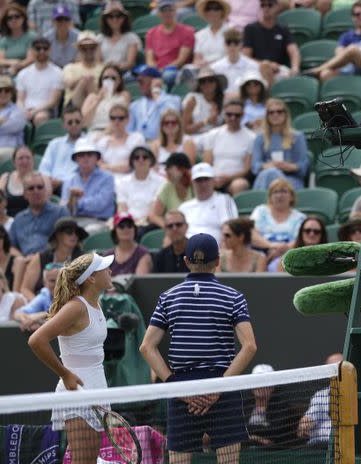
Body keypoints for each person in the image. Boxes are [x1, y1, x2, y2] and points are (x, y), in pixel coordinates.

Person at [139, 233, 257, 464]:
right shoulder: (234, 297)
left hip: (182, 389)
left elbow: (147, 347)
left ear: (185, 261)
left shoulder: (168, 297)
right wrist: (218, 389)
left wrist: (177, 388)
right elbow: (250, 346)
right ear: (218, 261)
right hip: (224, 388)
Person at [28, 253, 114, 464]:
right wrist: (65, 374)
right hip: (76, 394)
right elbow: (36, 340)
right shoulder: (76, 307)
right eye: (105, 268)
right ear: (91, 278)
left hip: (96, 388)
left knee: (90, 461)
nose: (110, 271)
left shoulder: (96, 303)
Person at [305, 0, 361, 81]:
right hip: (348, 67)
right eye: (357, 14)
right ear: (352, 17)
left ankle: (317, 70)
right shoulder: (346, 35)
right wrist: (354, 53)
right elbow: (339, 54)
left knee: (353, 49)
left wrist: (352, 53)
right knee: (326, 74)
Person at [17, 216, 87, 298]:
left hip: (72, 303)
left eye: (77, 233)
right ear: (58, 235)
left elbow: (87, 291)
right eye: (69, 232)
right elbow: (25, 289)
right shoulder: (41, 257)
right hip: (41, 304)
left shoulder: (83, 259)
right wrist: (39, 304)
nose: (74, 235)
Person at [243, 0, 301, 87]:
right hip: (256, 70)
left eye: (270, 5)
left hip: (279, 69)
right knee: (265, 66)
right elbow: (246, 57)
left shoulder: (282, 29)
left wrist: (295, 67)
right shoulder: (250, 29)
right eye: (263, 5)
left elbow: (293, 51)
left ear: (276, 7)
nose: (266, 8)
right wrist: (267, 64)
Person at [251, 98, 309, 191]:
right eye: (271, 112)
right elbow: (255, 166)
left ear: (285, 114)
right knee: (270, 173)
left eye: (279, 111)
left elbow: (303, 166)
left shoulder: (297, 136)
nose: (275, 115)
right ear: (267, 116)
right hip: (265, 179)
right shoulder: (260, 138)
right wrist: (267, 166)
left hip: (291, 179)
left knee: (271, 173)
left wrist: (287, 166)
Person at [9, 171, 70, 255]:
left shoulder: (61, 213)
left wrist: (38, 258)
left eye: (40, 187)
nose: (36, 191)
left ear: (45, 190)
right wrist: (21, 258)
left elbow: (68, 242)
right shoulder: (18, 219)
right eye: (31, 188)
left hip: (52, 261)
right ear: (25, 194)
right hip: (25, 262)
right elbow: (11, 247)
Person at [202, 100, 255, 196]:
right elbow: (207, 163)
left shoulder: (251, 137)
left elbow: (247, 169)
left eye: (237, 115)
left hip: (236, 179)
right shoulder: (212, 135)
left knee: (239, 185)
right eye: (229, 114)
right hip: (214, 178)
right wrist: (213, 178)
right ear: (224, 114)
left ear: (243, 115)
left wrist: (229, 178)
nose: (233, 118)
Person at [61, 139, 115, 234]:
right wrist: (71, 203)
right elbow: (64, 208)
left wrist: (76, 202)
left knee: (87, 231)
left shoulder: (107, 178)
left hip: (99, 221)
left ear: (96, 158)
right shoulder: (69, 179)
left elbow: (100, 204)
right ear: (76, 159)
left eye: (89, 154)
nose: (86, 158)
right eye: (81, 155)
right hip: (74, 221)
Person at [250, 178, 306, 267]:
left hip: (289, 257)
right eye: (275, 192)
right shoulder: (260, 211)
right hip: (260, 254)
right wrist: (271, 245)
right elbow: (251, 234)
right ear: (270, 197)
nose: (279, 195)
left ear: (291, 196)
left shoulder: (300, 217)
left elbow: (301, 240)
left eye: (284, 191)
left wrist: (282, 251)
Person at [179, 162, 239, 243]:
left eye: (206, 179)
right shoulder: (184, 207)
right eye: (198, 180)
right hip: (187, 251)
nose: (203, 184)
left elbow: (230, 229)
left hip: (216, 251)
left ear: (213, 181)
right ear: (192, 183)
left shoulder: (224, 200)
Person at [15, 36, 64, 125]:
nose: (42, 51)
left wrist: (34, 111)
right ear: (31, 51)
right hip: (26, 109)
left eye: (45, 48)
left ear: (50, 50)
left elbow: (53, 102)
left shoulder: (58, 72)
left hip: (46, 111)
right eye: (38, 48)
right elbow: (20, 99)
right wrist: (23, 110)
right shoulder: (23, 73)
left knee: (40, 117)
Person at [297, 353, 343, 446]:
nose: (335, 372)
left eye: (338, 367)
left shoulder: (356, 394)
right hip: (318, 446)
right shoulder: (320, 395)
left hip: (343, 445)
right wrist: (304, 425)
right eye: (330, 368)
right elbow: (309, 417)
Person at [116, 145, 165, 229]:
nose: (141, 160)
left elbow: (154, 210)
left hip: (150, 223)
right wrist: (129, 222)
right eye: (136, 157)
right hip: (127, 223)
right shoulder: (122, 182)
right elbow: (122, 208)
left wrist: (140, 222)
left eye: (145, 157)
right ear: (132, 161)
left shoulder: (161, 181)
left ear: (151, 160)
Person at [128, 65, 182, 141]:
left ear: (155, 80)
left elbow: (171, 117)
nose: (139, 81)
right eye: (138, 80)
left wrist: (156, 91)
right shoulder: (134, 105)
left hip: (163, 143)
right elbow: (128, 130)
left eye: (142, 79)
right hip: (140, 147)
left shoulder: (173, 99)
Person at [94, 102, 144, 180]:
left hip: (128, 180)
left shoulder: (136, 138)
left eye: (121, 118)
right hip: (106, 181)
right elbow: (97, 163)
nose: (116, 121)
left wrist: (106, 167)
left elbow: (131, 164)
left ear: (128, 120)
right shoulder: (103, 141)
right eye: (113, 118)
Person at [39, 104, 82, 191]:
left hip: (74, 188)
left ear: (82, 122)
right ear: (64, 125)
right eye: (70, 122)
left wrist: (62, 182)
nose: (74, 125)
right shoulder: (55, 144)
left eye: (77, 121)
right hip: (50, 186)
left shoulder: (89, 144)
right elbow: (44, 168)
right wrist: (48, 181)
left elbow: (84, 174)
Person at [145, 0, 195, 71]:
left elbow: (181, 60)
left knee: (168, 76)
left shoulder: (188, 31)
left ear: (175, 11)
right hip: (157, 70)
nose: (167, 13)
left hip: (177, 70)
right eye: (163, 10)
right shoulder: (151, 33)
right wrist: (154, 71)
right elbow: (150, 60)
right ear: (158, 13)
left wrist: (163, 70)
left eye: (170, 10)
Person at [182, 67, 230, 145]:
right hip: (195, 139)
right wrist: (206, 121)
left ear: (216, 83)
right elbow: (185, 129)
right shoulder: (193, 99)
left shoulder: (224, 101)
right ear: (199, 85)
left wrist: (215, 122)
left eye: (211, 81)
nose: (207, 84)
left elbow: (226, 129)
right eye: (203, 82)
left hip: (217, 138)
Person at [80, 63, 131, 136]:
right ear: (101, 80)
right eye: (106, 78)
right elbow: (84, 122)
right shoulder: (92, 97)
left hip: (116, 133)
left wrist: (106, 133)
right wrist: (98, 100)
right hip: (94, 132)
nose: (109, 80)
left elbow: (125, 117)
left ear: (119, 81)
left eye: (113, 78)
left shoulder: (124, 95)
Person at [0, 145, 48, 217]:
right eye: (21, 158)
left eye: (28, 158)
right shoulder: (5, 177)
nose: (25, 161)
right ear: (14, 162)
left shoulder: (42, 178)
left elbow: (46, 202)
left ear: (33, 160)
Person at [149, 152, 193, 230]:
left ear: (181, 169)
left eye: (168, 167)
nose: (165, 171)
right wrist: (170, 227)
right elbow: (153, 216)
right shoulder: (167, 187)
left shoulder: (195, 186)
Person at [211, 29, 260, 97]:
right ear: (224, 44)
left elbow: (255, 89)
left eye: (236, 42)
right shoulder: (215, 67)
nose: (232, 46)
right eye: (229, 42)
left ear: (241, 44)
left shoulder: (253, 66)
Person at [61, 30, 102, 110]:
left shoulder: (103, 68)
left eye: (92, 48)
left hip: (96, 106)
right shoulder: (69, 67)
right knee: (86, 80)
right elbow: (69, 84)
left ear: (96, 49)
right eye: (84, 48)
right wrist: (84, 79)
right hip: (73, 109)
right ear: (79, 49)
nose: (88, 51)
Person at [95, 2, 139, 74]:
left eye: (118, 16)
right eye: (110, 16)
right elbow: (97, 62)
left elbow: (130, 63)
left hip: (125, 74)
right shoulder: (99, 38)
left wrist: (116, 67)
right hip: (103, 74)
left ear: (124, 18)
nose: (115, 20)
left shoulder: (132, 37)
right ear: (105, 19)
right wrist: (108, 68)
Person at [14, 263, 59, 331]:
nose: (58, 283)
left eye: (61, 279)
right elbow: (17, 313)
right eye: (52, 281)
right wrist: (28, 321)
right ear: (45, 283)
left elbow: (64, 314)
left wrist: (41, 317)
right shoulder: (45, 295)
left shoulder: (73, 294)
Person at [192, 0, 230, 68]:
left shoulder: (231, 32)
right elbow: (196, 59)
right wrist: (199, 63)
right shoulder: (199, 35)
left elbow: (233, 57)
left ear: (222, 11)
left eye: (216, 8)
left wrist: (212, 63)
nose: (212, 12)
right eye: (208, 8)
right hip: (204, 71)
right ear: (205, 12)